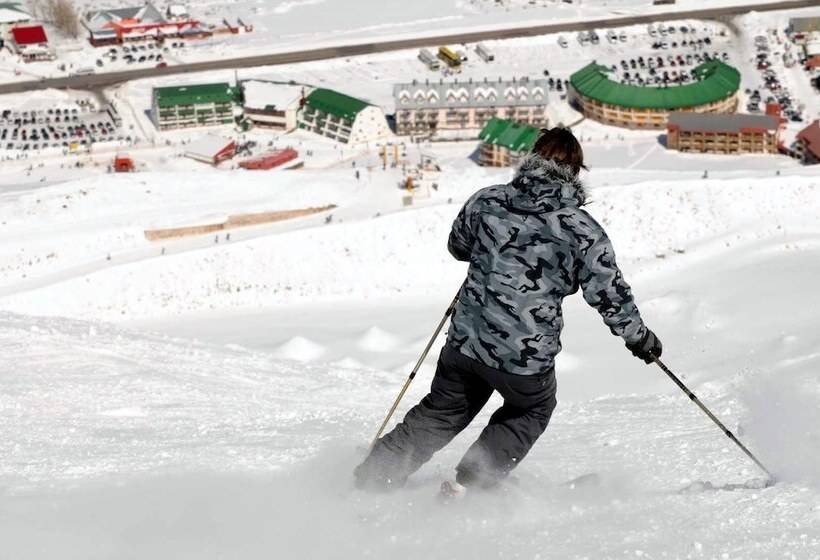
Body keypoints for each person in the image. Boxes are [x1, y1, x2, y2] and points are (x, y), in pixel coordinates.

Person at [354, 127, 662, 497]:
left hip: (466, 342)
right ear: (576, 173)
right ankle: (470, 483)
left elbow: (458, 246)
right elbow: (609, 294)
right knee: (532, 409)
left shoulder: (487, 201)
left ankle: (374, 477)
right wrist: (639, 339)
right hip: (524, 357)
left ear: (531, 160)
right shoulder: (581, 230)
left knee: (442, 411)